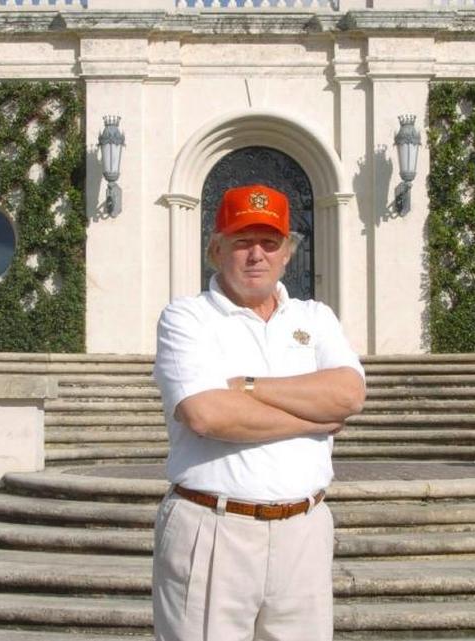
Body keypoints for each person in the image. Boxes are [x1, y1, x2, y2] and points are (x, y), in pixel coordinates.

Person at [151, 184, 366, 641]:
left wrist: (248, 387)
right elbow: (207, 414)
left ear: (287, 252)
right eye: (242, 241)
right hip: (213, 532)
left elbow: (347, 395)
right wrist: (313, 419)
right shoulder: (186, 318)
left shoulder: (316, 317)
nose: (256, 255)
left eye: (269, 242)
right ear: (216, 248)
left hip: (304, 533)